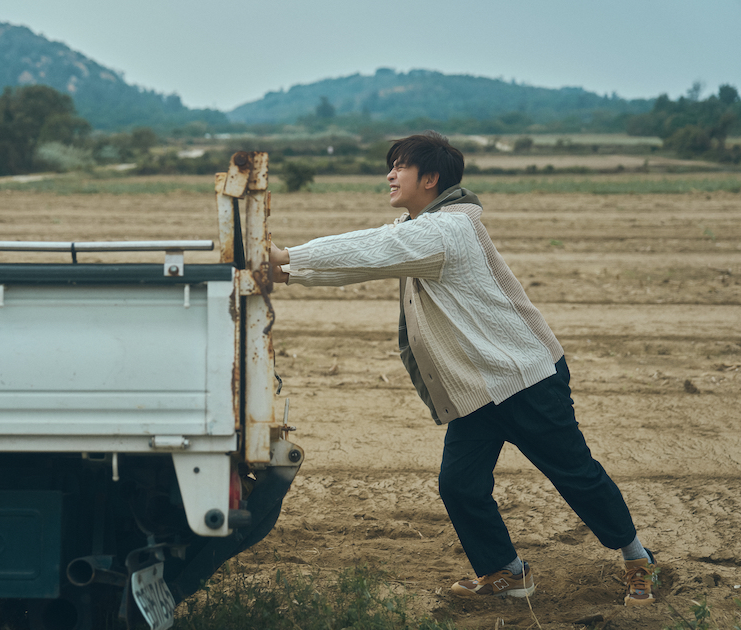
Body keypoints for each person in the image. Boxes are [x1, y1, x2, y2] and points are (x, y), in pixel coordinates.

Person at [268, 131, 657, 606]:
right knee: (460, 486)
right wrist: (285, 273)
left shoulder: (447, 229)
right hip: (475, 387)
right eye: (390, 166)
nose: (390, 175)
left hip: (523, 378)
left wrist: (287, 258)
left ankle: (639, 561)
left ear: (430, 179)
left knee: (575, 474)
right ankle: (508, 573)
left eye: (400, 167)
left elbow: (368, 250)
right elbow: (363, 263)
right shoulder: (420, 229)